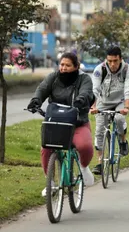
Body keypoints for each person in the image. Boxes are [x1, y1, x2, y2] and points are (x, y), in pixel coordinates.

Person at [27, 53, 95, 196]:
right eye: (62, 64)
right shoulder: (53, 77)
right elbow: (42, 89)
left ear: (76, 67)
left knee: (84, 146)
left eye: (68, 65)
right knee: (46, 149)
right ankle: (50, 183)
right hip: (56, 122)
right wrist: (36, 101)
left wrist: (81, 99)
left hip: (77, 123)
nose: (63, 68)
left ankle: (83, 168)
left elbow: (87, 92)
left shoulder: (84, 79)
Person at [90, 47, 129, 175]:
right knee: (99, 131)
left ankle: (122, 141)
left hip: (120, 102)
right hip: (103, 101)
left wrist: (126, 107)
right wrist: (93, 106)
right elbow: (95, 89)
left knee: (119, 119)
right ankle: (100, 162)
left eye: (115, 61)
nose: (112, 64)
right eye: (109, 61)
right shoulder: (100, 69)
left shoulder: (128, 70)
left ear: (120, 59)